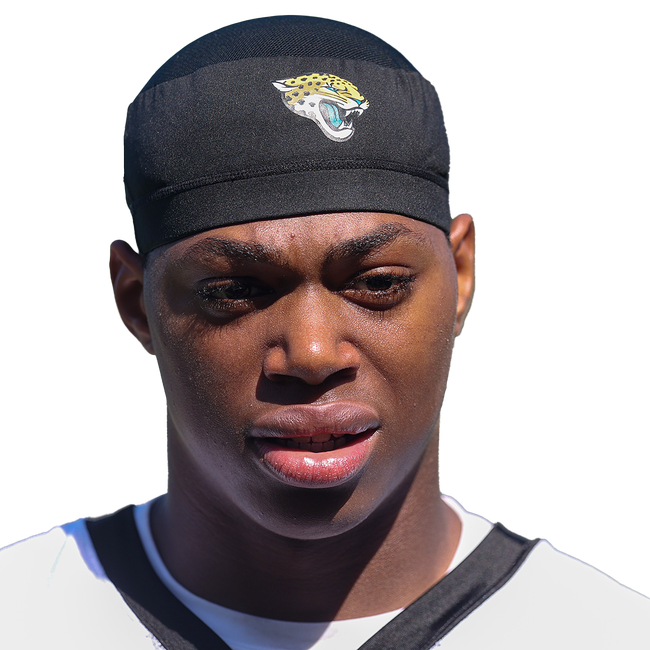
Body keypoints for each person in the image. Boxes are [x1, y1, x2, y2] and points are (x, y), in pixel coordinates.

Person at [1, 15, 647, 650]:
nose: (311, 354)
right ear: (136, 303)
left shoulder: (609, 633)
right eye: (234, 290)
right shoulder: (19, 616)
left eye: (377, 283)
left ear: (460, 274)